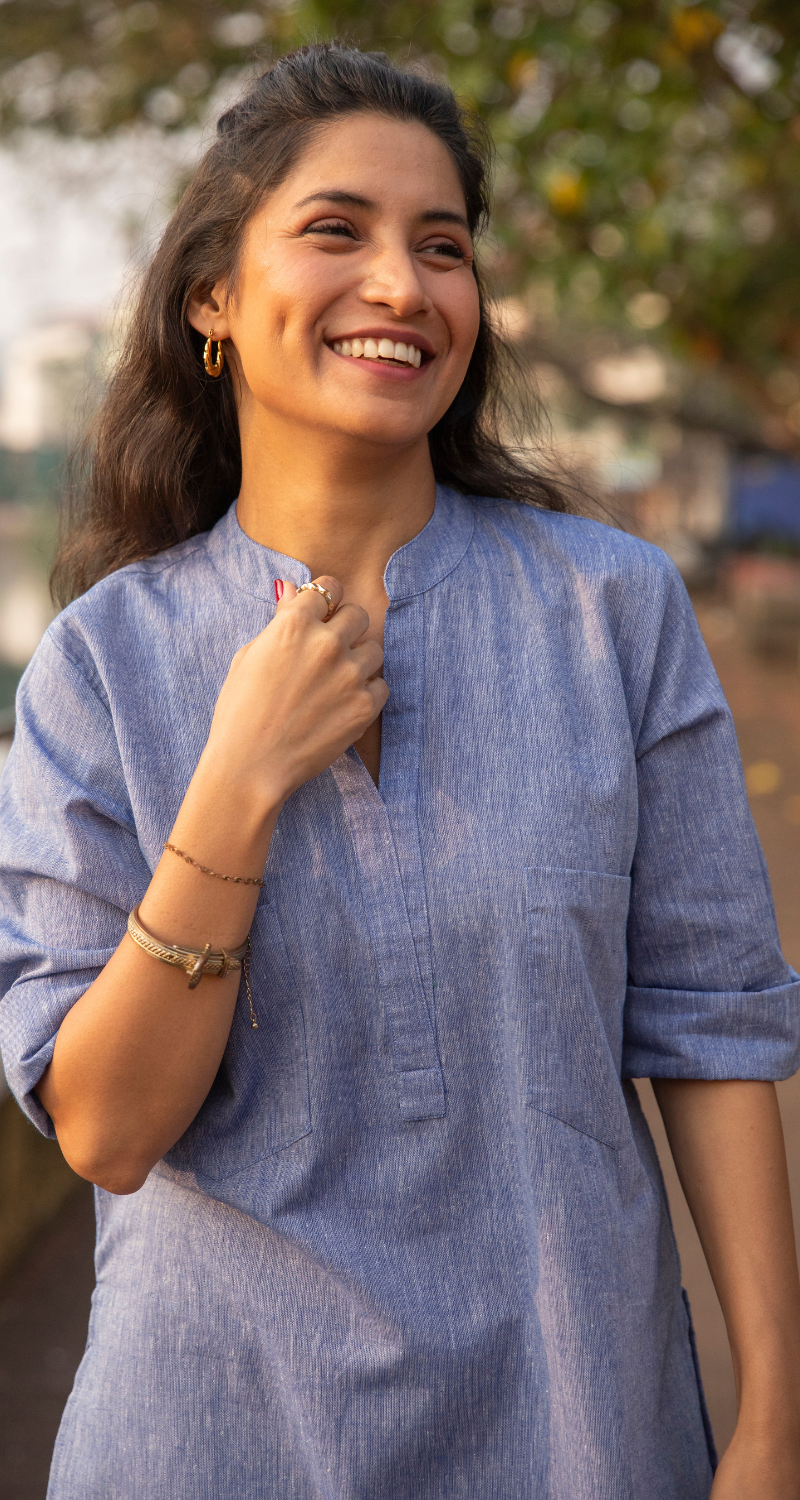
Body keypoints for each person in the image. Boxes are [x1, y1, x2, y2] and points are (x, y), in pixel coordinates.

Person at [0, 42, 798, 1500]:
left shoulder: (611, 613)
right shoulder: (100, 667)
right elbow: (108, 1131)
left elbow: (716, 1029)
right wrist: (236, 784)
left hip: (580, 1427)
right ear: (212, 300)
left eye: (443, 247)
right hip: (211, 1438)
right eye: (335, 230)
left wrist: (770, 1428)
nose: (401, 284)